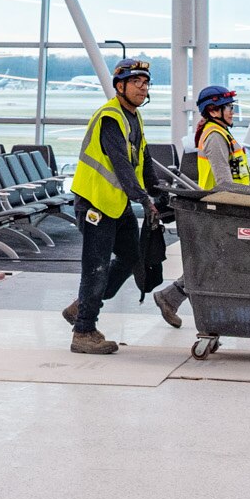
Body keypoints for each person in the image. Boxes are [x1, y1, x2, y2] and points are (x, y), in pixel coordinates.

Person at [60, 59, 155, 354]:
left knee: (132, 256)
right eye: (136, 82)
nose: (143, 87)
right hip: (94, 202)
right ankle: (84, 331)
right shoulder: (110, 117)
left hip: (115, 202)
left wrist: (157, 191)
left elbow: (143, 159)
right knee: (96, 266)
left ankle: (83, 308)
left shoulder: (133, 117)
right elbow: (121, 164)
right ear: (120, 86)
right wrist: (143, 197)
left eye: (146, 82)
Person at [153, 84, 248, 327]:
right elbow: (224, 182)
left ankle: (172, 298)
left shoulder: (219, 132)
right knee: (217, 260)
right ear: (214, 111)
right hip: (222, 206)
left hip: (226, 206)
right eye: (229, 108)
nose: (232, 112)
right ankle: (202, 313)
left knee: (214, 259)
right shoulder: (215, 136)